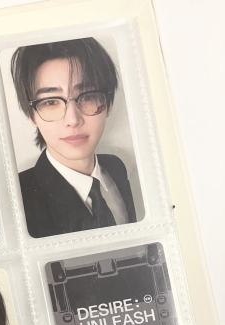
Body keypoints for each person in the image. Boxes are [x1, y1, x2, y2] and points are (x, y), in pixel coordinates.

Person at [11, 37, 136, 238]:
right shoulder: (16, 199)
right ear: (31, 115)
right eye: (51, 102)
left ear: (108, 104)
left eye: (87, 96)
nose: (72, 120)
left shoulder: (116, 167)